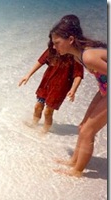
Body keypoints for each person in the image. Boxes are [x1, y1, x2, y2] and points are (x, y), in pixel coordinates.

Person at [50, 14, 107, 177]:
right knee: (82, 127)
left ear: (70, 39)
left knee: (88, 131)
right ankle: (74, 161)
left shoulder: (88, 56)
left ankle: (77, 172)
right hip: (104, 89)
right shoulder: (78, 55)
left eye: (57, 43)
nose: (54, 47)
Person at [18, 32, 84, 133]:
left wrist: (73, 90)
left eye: (57, 43)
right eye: (53, 43)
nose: (54, 46)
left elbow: (78, 74)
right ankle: (34, 124)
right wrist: (28, 75)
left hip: (60, 88)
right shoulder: (53, 50)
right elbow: (41, 61)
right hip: (46, 83)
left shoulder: (75, 55)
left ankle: (45, 131)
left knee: (48, 112)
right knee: (37, 107)